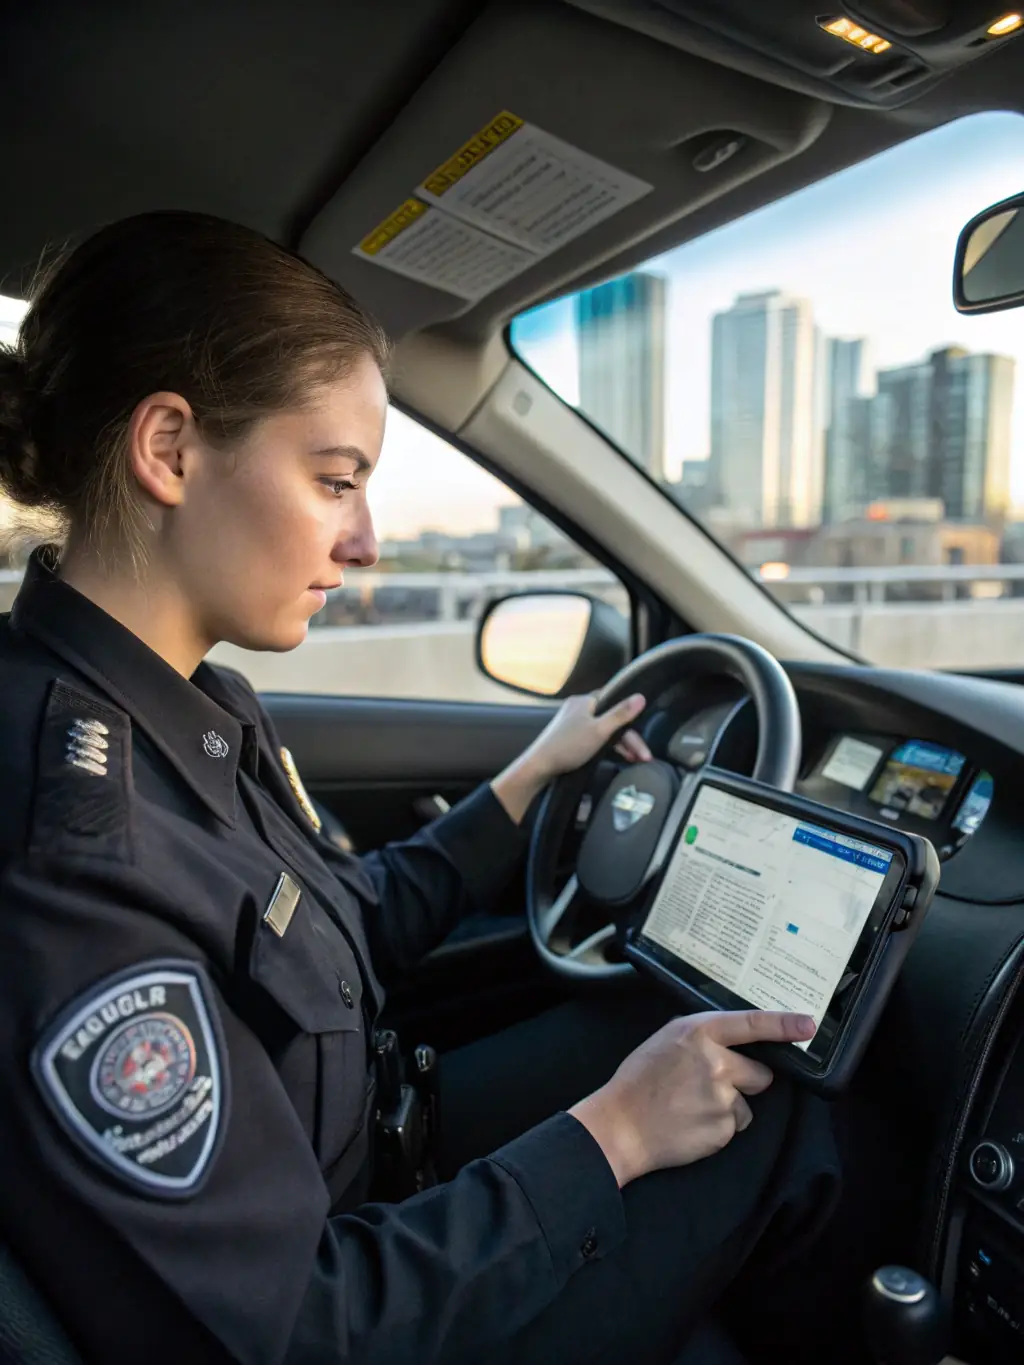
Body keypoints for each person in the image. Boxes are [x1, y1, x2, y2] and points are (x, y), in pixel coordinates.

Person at [0, 211, 840, 1365]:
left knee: (670, 1027)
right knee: (795, 1108)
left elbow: (342, 931)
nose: (366, 543)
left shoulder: (195, 710)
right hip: (367, 1292)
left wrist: (534, 775)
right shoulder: (78, 857)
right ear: (170, 451)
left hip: (383, 1173)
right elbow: (300, 1328)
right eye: (336, 480)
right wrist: (611, 1137)